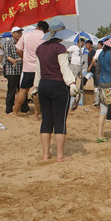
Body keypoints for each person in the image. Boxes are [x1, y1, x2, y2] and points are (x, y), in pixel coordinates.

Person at [31, 21, 79, 161]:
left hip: (43, 85)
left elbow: (38, 71)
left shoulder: (40, 48)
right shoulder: (60, 48)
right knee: (59, 121)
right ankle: (60, 155)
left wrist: (36, 87)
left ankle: (46, 154)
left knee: (46, 120)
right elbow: (64, 68)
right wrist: (72, 83)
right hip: (58, 86)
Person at [12, 20, 49, 118]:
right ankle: (36, 116)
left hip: (28, 67)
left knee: (23, 91)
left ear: (37, 26)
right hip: (41, 68)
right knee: (38, 91)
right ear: (46, 30)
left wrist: (24, 58)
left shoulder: (27, 35)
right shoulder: (46, 37)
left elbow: (18, 50)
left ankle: (15, 112)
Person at [3, 27, 29, 115]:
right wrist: (13, 60)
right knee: (12, 90)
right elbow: (7, 55)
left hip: (22, 69)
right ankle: (9, 109)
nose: (19, 34)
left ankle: (24, 108)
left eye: (20, 32)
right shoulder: (8, 43)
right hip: (12, 70)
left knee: (23, 90)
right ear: (12, 33)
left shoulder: (23, 42)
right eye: (17, 32)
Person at [67, 37, 85, 111]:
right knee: (72, 80)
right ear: (78, 42)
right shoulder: (73, 47)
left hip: (79, 66)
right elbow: (67, 51)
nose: (82, 45)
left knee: (77, 80)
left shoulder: (82, 50)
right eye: (82, 43)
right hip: (73, 65)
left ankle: (74, 97)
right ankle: (71, 94)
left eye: (83, 44)